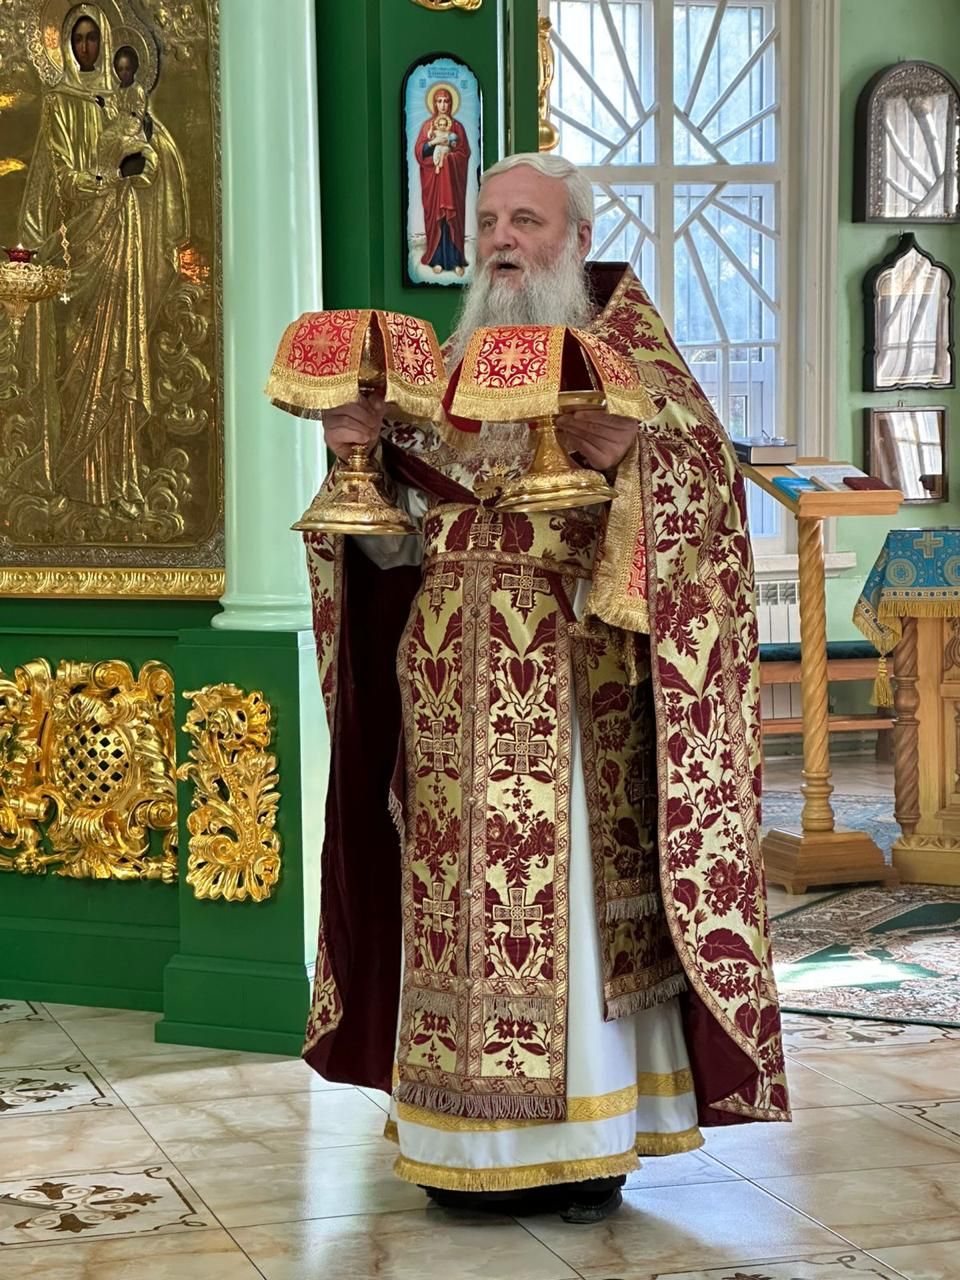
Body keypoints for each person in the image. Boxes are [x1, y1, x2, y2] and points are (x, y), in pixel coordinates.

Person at [300, 153, 789, 1222]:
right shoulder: (438, 377)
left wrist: (631, 464)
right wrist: (355, 462)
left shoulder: (627, 361)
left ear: (576, 238)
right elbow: (392, 554)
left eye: (525, 220)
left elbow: (707, 495)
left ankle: (585, 1148)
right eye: (486, 222)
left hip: (574, 694)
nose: (501, 240)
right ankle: (457, 1146)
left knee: (563, 915)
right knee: (455, 914)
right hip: (444, 695)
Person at [11, 4, 188, 523]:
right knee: (78, 356)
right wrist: (107, 176)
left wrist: (144, 163)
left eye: (94, 38)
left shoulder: (123, 100)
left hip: (123, 234)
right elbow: (61, 176)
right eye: (79, 38)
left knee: (118, 357)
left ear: (107, 43)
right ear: (68, 44)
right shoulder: (60, 103)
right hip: (80, 243)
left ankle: (122, 479)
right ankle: (74, 477)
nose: (87, 47)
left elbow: (153, 155)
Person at [414, 85, 470, 277]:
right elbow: (420, 152)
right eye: (439, 101)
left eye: (446, 101)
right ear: (434, 103)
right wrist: (434, 143)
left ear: (451, 103)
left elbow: (464, 153)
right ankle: (436, 259)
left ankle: (456, 261)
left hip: (452, 183)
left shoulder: (458, 127)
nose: (443, 105)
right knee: (437, 218)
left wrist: (449, 158)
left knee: (452, 218)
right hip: (434, 183)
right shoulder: (427, 127)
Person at [94, 46, 155, 179]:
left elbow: (139, 113)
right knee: (104, 138)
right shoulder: (118, 90)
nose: (124, 73)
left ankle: (114, 172)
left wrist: (129, 128)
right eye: (121, 69)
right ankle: (103, 172)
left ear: (134, 69)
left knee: (119, 141)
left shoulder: (137, 90)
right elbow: (114, 113)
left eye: (127, 69)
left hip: (133, 128)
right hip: (119, 125)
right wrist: (104, 106)